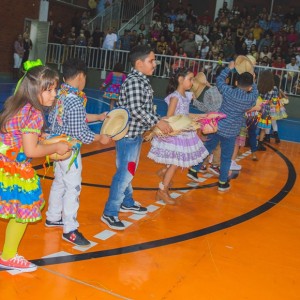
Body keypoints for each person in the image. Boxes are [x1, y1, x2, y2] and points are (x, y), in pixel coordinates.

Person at [0, 62, 70, 272]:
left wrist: (43, 138)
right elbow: (30, 151)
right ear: (33, 89)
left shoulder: (17, 104)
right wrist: (56, 146)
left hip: (4, 164)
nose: (53, 94)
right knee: (23, 212)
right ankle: (8, 256)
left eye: (55, 89)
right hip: (14, 170)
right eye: (48, 90)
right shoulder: (34, 114)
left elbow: (20, 136)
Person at [101, 45, 172, 230]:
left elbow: (142, 108)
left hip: (134, 134)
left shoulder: (141, 80)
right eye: (151, 60)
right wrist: (157, 122)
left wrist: (155, 121)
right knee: (124, 173)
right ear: (139, 63)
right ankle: (109, 212)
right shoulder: (134, 81)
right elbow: (136, 109)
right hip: (128, 136)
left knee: (127, 171)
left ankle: (127, 201)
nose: (154, 63)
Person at [45, 58, 109, 246]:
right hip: (69, 150)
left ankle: (53, 216)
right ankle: (70, 229)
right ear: (81, 76)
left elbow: (72, 118)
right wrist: (100, 138)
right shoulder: (74, 100)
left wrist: (97, 116)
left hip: (56, 145)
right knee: (73, 187)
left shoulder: (60, 94)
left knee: (59, 182)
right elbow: (80, 132)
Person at [188, 62, 258, 191]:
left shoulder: (228, 91)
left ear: (236, 83)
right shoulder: (250, 99)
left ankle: (193, 169)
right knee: (226, 157)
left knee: (207, 148)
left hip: (218, 126)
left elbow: (219, 79)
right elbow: (255, 94)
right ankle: (222, 182)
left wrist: (229, 68)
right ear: (249, 87)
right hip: (231, 132)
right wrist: (253, 81)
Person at [147, 68, 209, 204]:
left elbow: (185, 115)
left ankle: (164, 175)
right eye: (190, 79)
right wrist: (182, 125)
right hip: (176, 135)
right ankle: (162, 191)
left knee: (175, 164)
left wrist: (200, 117)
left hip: (184, 134)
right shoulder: (175, 97)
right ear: (181, 80)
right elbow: (170, 118)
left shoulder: (186, 96)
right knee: (175, 164)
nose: (192, 82)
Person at [256, 70, 281, 151]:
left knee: (253, 126)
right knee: (263, 128)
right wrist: (269, 102)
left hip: (256, 108)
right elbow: (274, 102)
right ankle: (260, 144)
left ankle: (250, 141)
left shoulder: (258, 87)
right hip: (266, 111)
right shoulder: (274, 88)